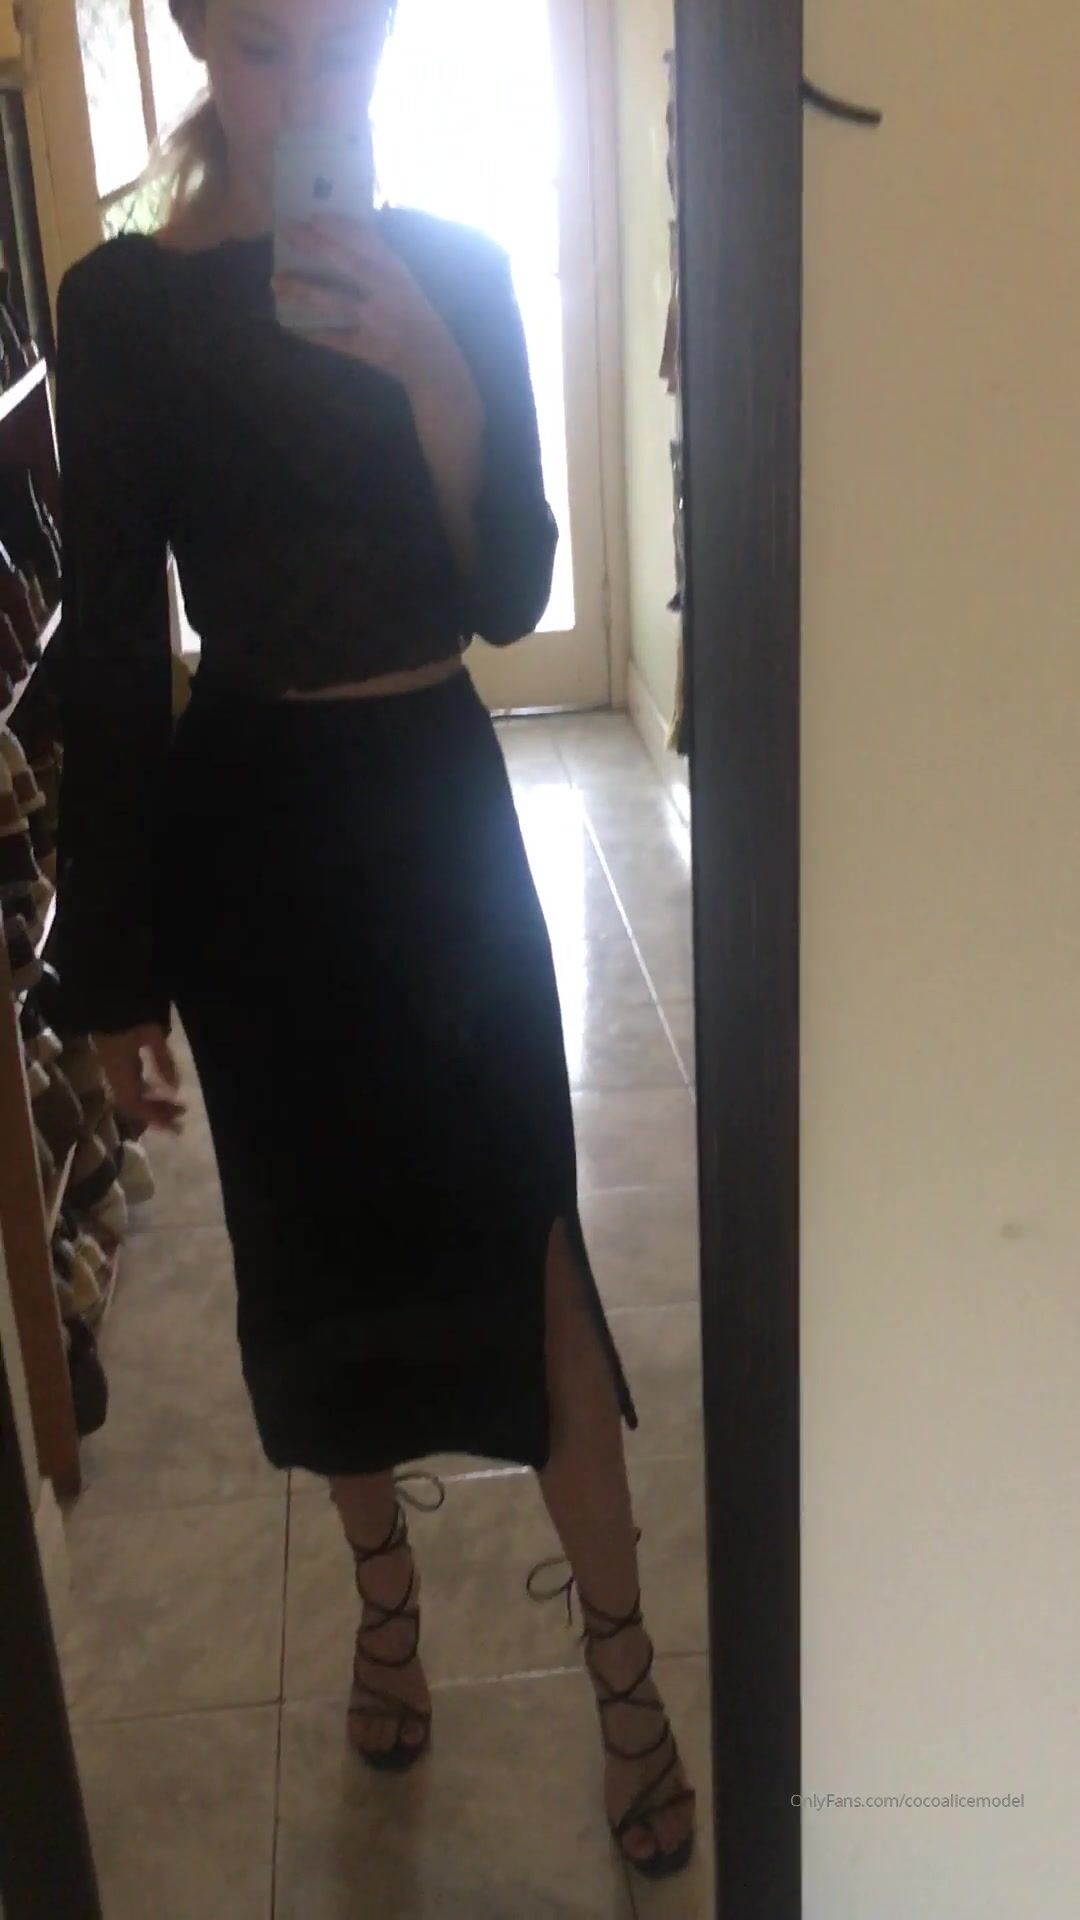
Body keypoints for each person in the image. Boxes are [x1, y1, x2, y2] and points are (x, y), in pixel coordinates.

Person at [53, 0, 696, 1881]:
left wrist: (431, 368)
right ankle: (386, 1608)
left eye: (342, 45)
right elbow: (112, 649)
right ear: (201, 39)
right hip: (255, 848)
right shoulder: (122, 311)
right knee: (314, 1261)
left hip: (437, 817)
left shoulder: (457, 272)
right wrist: (110, 969)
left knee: (533, 1248)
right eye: (266, 49)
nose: (305, 88)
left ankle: (627, 1672)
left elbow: (509, 590)